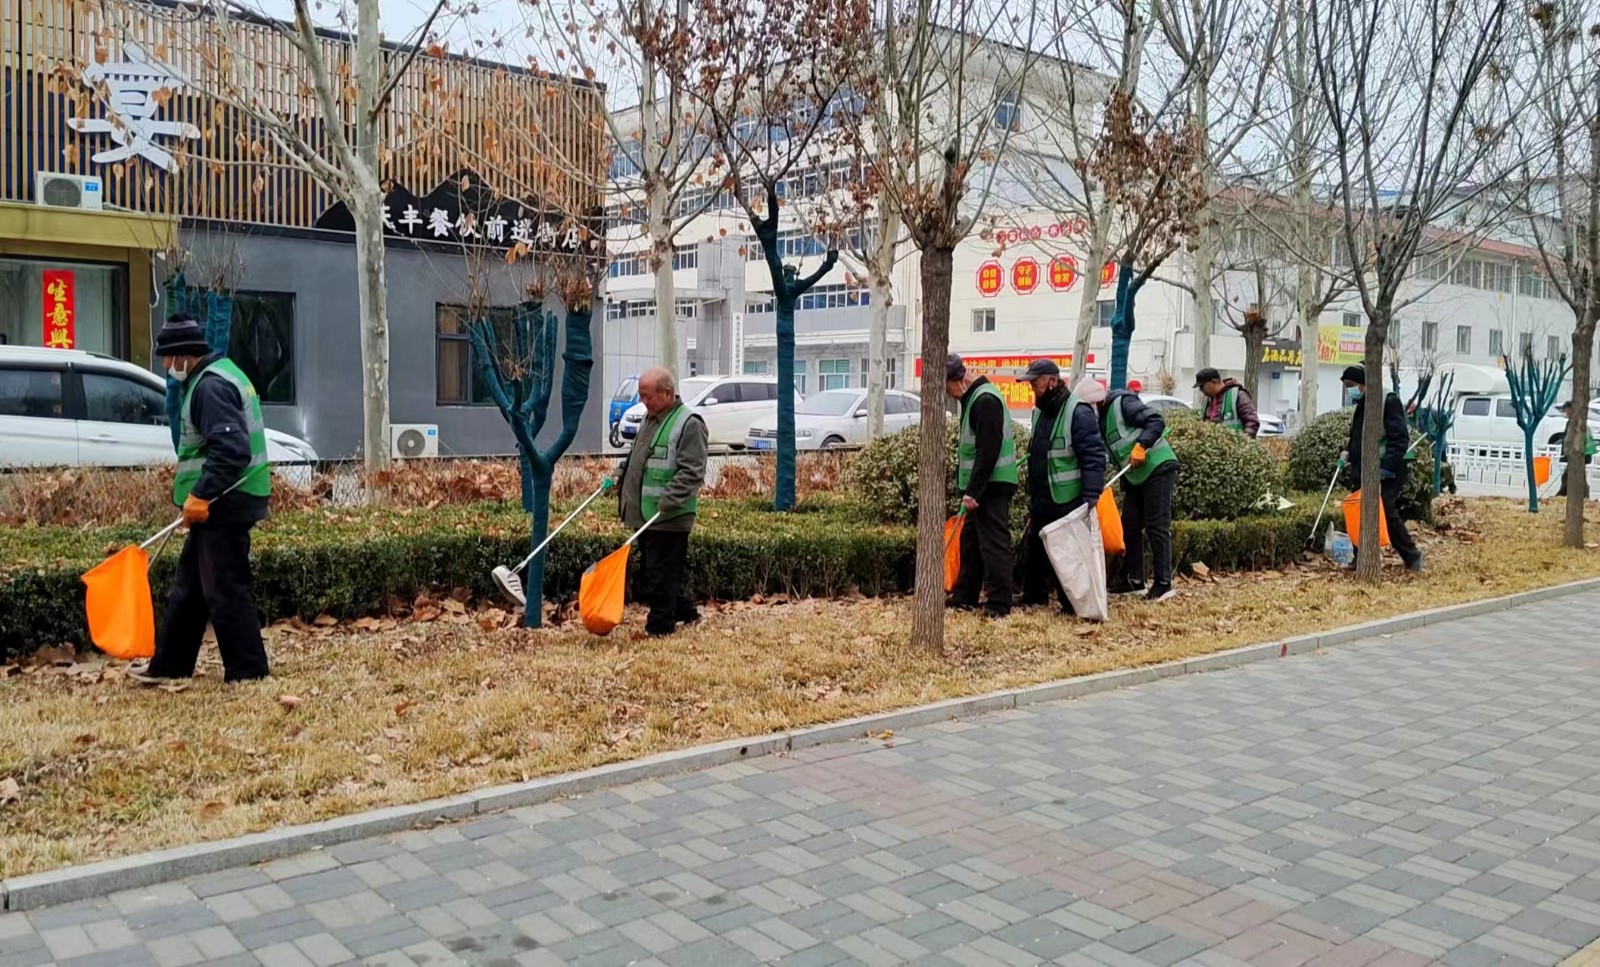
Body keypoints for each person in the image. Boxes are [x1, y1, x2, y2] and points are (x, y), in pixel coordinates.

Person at [131, 314, 271, 684]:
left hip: (226, 501)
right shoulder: (218, 376)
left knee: (225, 589)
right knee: (190, 590)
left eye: (167, 357)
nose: (165, 365)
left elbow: (232, 450)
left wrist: (200, 495)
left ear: (184, 355)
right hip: (219, 502)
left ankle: (248, 671)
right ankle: (170, 666)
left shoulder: (210, 387)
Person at [618, 366, 708, 636]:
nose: (643, 401)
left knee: (661, 576)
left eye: (648, 396)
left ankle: (659, 627)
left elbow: (692, 471)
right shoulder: (650, 419)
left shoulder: (689, 423)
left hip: (669, 515)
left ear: (667, 393)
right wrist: (619, 475)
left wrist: (669, 499)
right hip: (645, 513)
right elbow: (638, 456)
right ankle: (686, 613)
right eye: (641, 395)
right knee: (655, 573)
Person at [1019, 360, 1105, 613]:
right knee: (1035, 549)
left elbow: (1093, 456)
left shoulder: (1078, 412)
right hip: (1042, 495)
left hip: (1067, 497)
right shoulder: (1040, 412)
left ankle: (1071, 605)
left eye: (1036, 383)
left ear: (1052, 381)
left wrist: (1091, 495)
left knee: (1069, 555)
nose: (1032, 388)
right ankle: (1034, 595)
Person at [1091, 376, 1180, 602]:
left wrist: (1142, 445)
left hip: (1157, 466)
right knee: (1130, 526)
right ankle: (1135, 581)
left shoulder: (1124, 403)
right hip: (1134, 476)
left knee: (1156, 526)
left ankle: (1163, 584)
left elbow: (1156, 421)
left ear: (1096, 402)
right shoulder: (1099, 421)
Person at [947, 354, 1017, 618]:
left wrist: (973, 492)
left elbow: (987, 450)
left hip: (992, 485)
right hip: (984, 485)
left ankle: (999, 603)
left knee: (993, 544)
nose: (949, 394)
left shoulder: (985, 401)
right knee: (971, 543)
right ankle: (965, 596)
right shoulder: (975, 398)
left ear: (958, 380)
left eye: (947, 387)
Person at [1341, 365, 1423, 571]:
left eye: (1351, 385)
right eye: (1346, 386)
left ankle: (1412, 556)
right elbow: (1358, 435)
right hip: (1364, 469)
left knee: (1385, 510)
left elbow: (1399, 438)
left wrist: (1386, 467)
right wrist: (1347, 452)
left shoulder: (1388, 400)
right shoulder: (1362, 403)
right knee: (1359, 510)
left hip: (1388, 469)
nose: (1349, 390)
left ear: (1363, 383)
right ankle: (1360, 557)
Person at [1194, 367, 1260, 438]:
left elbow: (1252, 422)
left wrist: (1244, 440)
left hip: (1234, 444)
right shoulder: (1207, 399)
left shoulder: (1238, 395)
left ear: (1214, 381)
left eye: (1202, 386)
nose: (1200, 390)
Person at [1550, 400, 1595, 499]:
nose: (1566, 413)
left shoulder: (1576, 422)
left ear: (1571, 409)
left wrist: (1568, 453)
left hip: (1580, 454)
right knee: (1575, 476)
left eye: (1567, 410)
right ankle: (1580, 496)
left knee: (1570, 476)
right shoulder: (1574, 421)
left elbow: (1571, 439)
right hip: (1578, 454)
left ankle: (1563, 495)